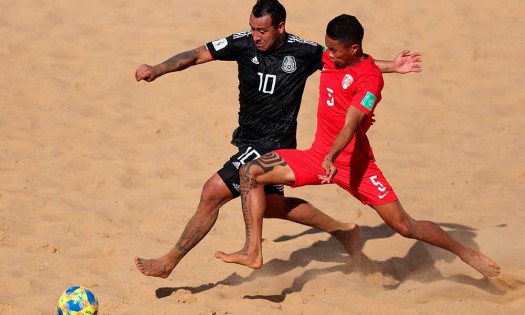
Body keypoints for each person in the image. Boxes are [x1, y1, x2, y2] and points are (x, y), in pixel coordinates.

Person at [134, 0, 422, 279]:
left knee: (212, 192)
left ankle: (168, 262)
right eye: (252, 28)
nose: (255, 36)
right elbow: (197, 54)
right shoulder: (243, 43)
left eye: (262, 30)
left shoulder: (304, 51)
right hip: (247, 138)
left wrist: (393, 67)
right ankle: (342, 231)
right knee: (271, 207)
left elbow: (344, 59)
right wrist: (157, 69)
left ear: (280, 27)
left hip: (273, 143)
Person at [215, 14, 501, 279]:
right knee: (251, 172)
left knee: (403, 226)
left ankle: (467, 253)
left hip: (355, 165)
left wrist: (332, 156)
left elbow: (350, 124)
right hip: (318, 156)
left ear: (353, 48)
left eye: (335, 50)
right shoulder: (332, 59)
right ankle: (253, 250)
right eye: (327, 48)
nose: (328, 55)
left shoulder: (370, 81)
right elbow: (359, 62)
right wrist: (395, 66)